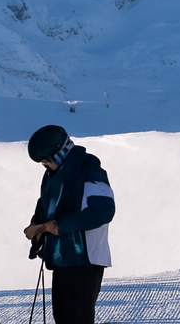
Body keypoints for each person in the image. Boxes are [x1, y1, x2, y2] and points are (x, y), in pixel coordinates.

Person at [24, 124, 115, 324]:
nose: (45, 164)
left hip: (85, 258)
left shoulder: (88, 168)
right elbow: (45, 206)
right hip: (62, 257)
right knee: (64, 317)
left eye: (46, 159)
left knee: (77, 317)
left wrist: (57, 226)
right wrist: (38, 229)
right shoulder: (52, 175)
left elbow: (102, 211)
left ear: (60, 152)